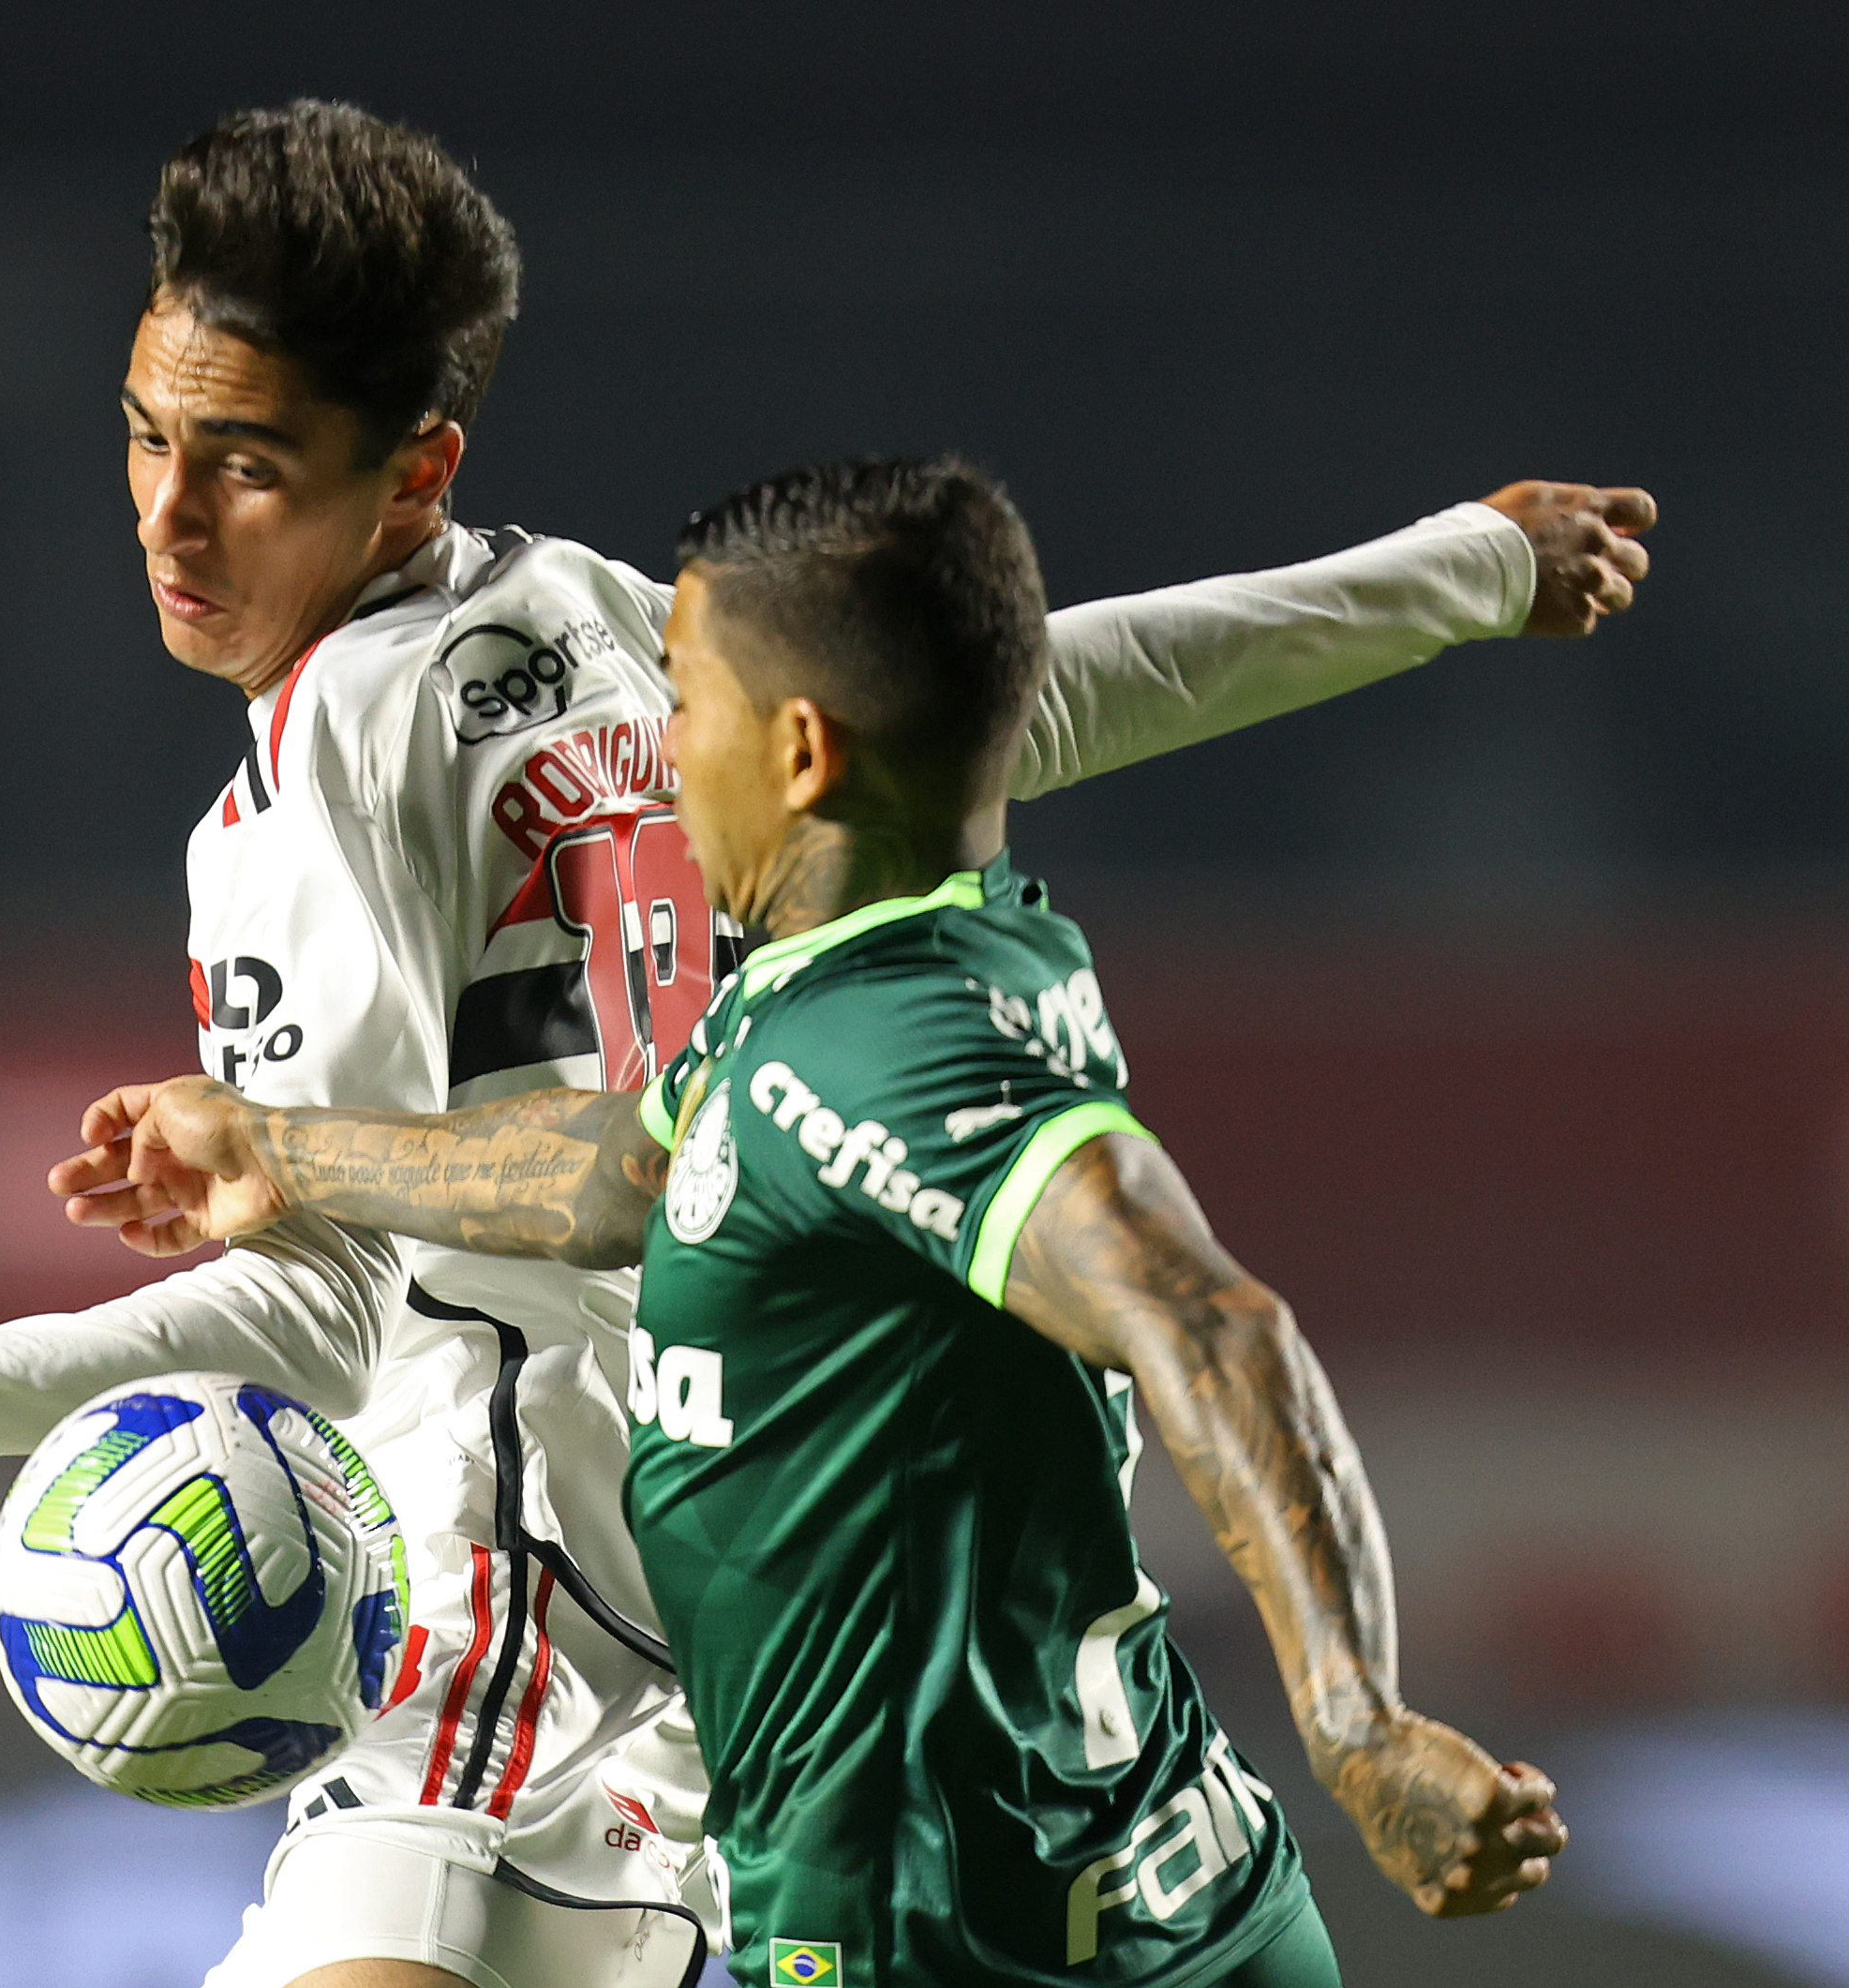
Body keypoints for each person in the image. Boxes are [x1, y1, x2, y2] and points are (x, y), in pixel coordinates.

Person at [0, 103, 1643, 1988]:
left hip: (511, 1634)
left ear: (416, 467)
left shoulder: (320, 769)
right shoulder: (631, 626)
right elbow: (1025, 692)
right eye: (143, 434)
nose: (168, 514)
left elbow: (334, 1291)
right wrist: (1458, 572)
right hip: (778, 1638)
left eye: (244, 461)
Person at [81, 456, 1566, 1988]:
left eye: (683, 698)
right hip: (1095, 1882)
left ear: (796, 752)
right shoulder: (855, 981)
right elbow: (619, 1175)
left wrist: (1354, 1718)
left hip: (990, 1938)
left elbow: (1207, 1320)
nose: (657, 746)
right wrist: (279, 1144)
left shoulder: (888, 1055)